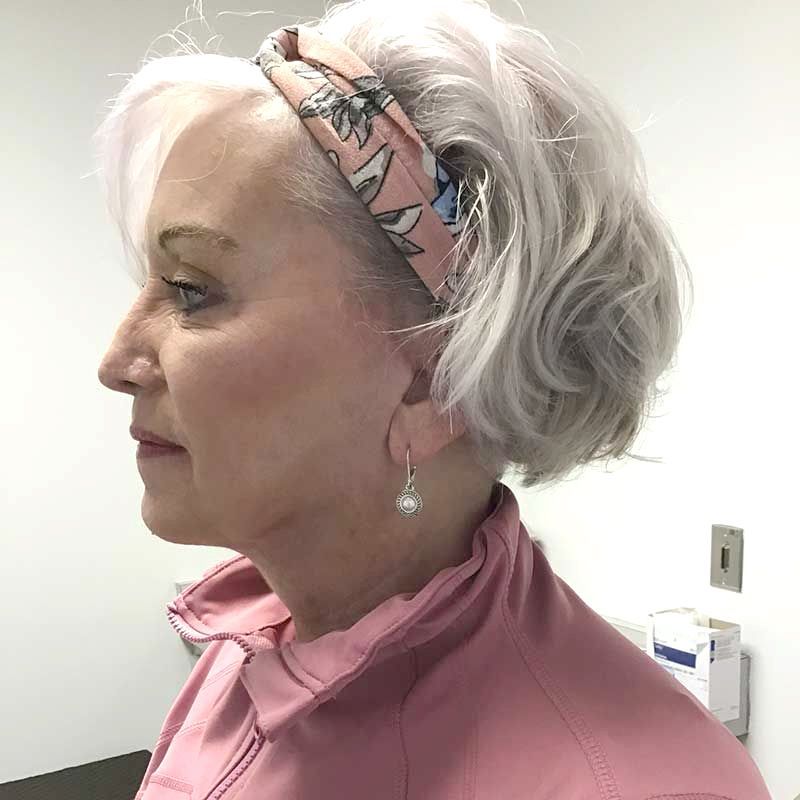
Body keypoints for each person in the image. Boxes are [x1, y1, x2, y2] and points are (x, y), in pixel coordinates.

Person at [94, 1, 772, 798]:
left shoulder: (633, 783)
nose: (117, 360)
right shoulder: (254, 642)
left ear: (430, 379)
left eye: (192, 290)